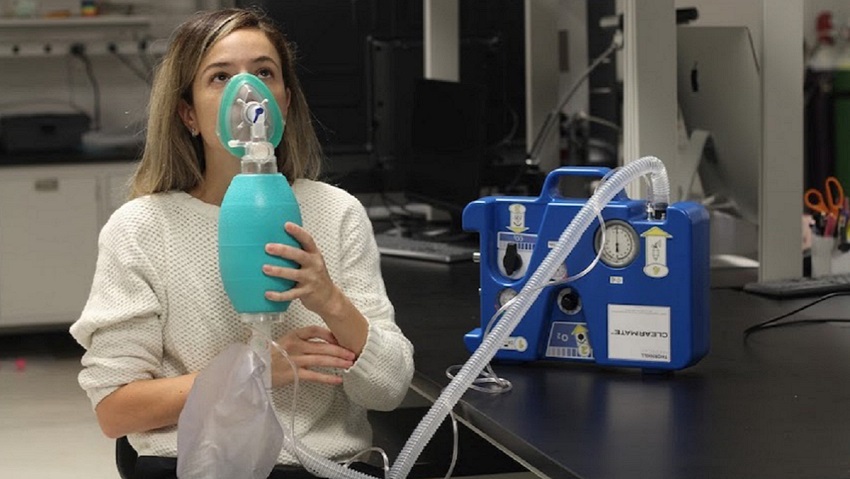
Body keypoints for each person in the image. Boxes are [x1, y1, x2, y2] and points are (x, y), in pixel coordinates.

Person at [69, 8, 414, 478]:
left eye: (264, 73)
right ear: (188, 113)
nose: (248, 93)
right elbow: (116, 411)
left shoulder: (336, 213)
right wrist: (253, 371)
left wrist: (330, 300)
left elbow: (389, 390)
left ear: (284, 102)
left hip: (327, 468)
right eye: (220, 77)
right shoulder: (143, 228)